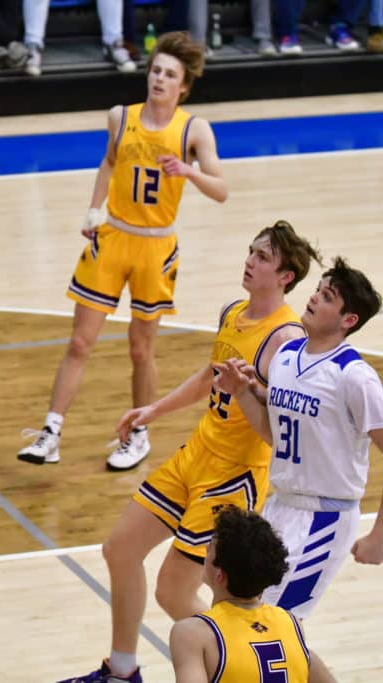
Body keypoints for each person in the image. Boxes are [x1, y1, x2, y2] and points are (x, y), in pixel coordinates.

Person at [56, 221, 321, 683]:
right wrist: (153, 410)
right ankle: (123, 671)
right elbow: (208, 376)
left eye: (262, 257)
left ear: (285, 276)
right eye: (251, 251)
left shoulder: (286, 340)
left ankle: (254, 660)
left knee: (173, 592)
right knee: (119, 549)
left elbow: (281, 432)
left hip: (235, 473)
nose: (249, 260)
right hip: (196, 453)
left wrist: (247, 392)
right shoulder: (233, 311)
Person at [17, 31, 226, 471]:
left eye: (169, 75)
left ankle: (138, 434)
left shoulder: (193, 129)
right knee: (80, 341)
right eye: (155, 71)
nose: (159, 79)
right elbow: (109, 164)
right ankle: (51, 432)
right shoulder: (120, 117)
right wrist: (94, 211)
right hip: (112, 238)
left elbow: (221, 189)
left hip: (156, 248)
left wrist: (188, 171)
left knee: (139, 349)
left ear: (184, 86)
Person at [214, 256, 383, 618]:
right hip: (279, 505)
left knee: (272, 622)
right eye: (318, 289)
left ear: (349, 320)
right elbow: (273, 434)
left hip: (324, 518)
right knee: (245, 610)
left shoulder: (355, 377)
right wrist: (243, 391)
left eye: (327, 296)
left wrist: (379, 535)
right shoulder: (287, 355)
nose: (314, 297)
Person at [170, 506, 337, 683]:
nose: (206, 548)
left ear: (220, 575)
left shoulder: (192, 634)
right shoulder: (291, 624)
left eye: (210, 547)